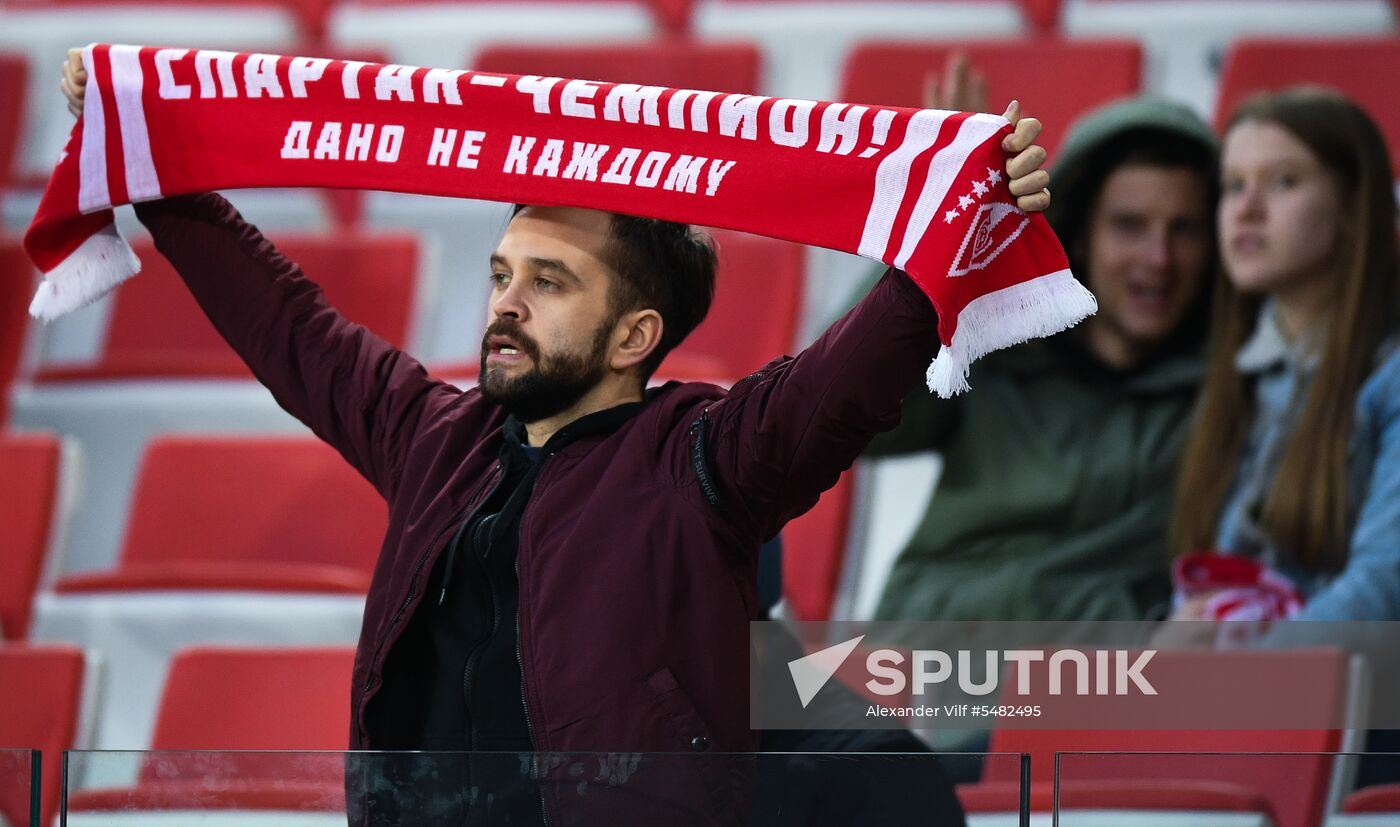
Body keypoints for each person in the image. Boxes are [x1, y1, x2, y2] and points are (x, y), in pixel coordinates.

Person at [62, 51, 1051, 824]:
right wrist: (150, 162)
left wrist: (961, 218)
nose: (504, 304)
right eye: (501, 273)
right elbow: (285, 324)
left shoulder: (708, 455)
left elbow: (850, 375)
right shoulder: (431, 435)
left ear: (634, 336)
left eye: (548, 283)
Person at [851, 62, 1218, 626]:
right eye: (1129, 225)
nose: (1159, 259)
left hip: (1076, 692)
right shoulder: (992, 344)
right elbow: (848, 419)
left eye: (1186, 229)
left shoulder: (1232, 398)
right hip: (911, 664)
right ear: (1082, 235)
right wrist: (928, 231)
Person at [1169, 86, 1400, 622]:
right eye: (1233, 186)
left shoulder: (1388, 375)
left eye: (1282, 181)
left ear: (1350, 209)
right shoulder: (1234, 369)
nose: (1246, 210)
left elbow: (1381, 592)